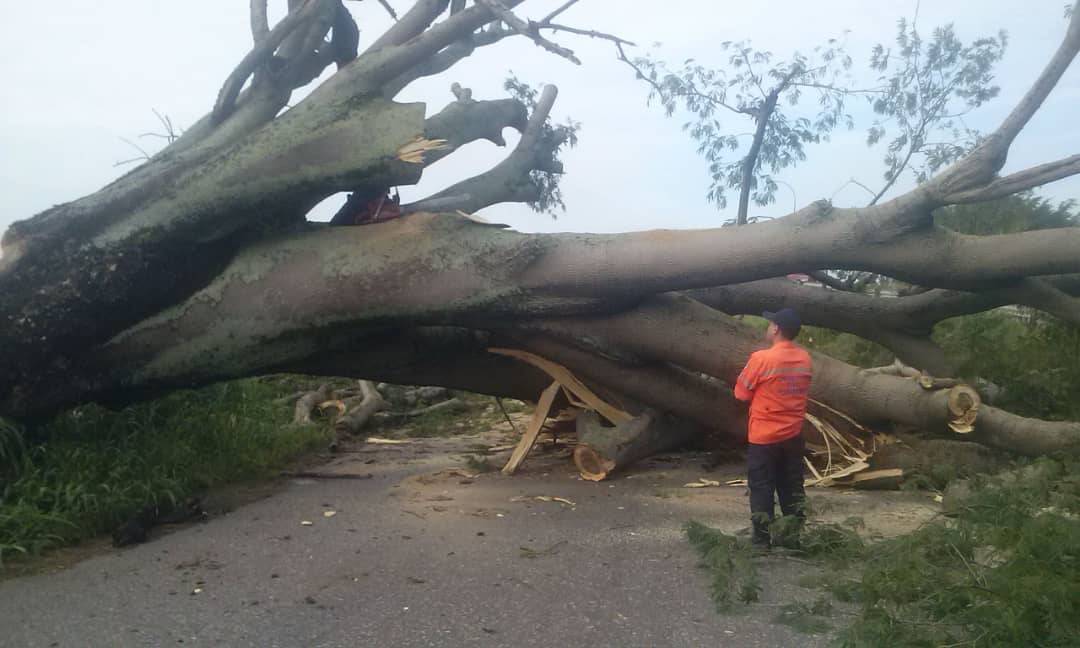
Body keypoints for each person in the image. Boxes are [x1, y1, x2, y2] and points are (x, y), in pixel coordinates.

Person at [733, 308, 812, 550]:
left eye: (770, 324)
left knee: (761, 487)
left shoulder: (762, 359)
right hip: (793, 434)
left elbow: (741, 393)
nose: (768, 327)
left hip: (764, 437)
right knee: (791, 487)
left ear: (776, 329)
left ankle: (761, 540)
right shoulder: (804, 359)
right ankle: (791, 539)